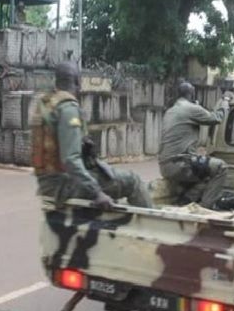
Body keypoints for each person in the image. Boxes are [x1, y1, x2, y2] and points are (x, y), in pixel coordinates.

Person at [31, 61, 152, 209]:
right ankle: (158, 226)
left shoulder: (46, 104)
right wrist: (97, 193)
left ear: (57, 81)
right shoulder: (68, 108)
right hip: (63, 185)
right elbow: (70, 160)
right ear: (78, 82)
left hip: (47, 183)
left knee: (105, 174)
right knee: (133, 181)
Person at [158, 82, 231, 208]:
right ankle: (204, 208)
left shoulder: (170, 111)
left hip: (164, 166)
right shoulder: (191, 109)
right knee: (221, 167)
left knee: (206, 175)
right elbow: (216, 118)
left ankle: (186, 200)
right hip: (181, 164)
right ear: (192, 94)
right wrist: (225, 101)